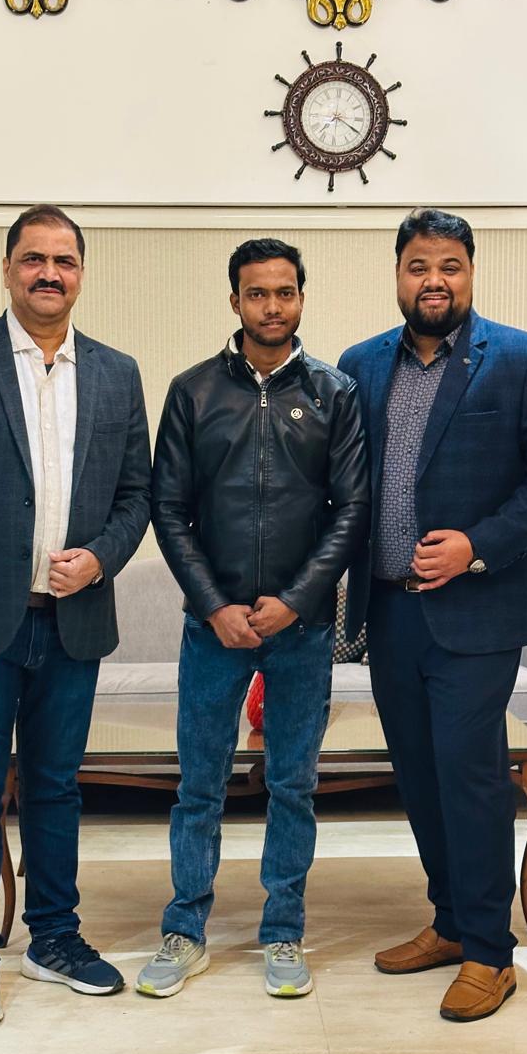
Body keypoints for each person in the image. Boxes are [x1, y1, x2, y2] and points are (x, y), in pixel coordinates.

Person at [0, 204, 151, 1026]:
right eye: (34, 259)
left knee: (55, 788)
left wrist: (102, 557)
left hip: (73, 621)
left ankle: (55, 936)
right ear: (8, 269)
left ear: (81, 274)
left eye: (64, 260)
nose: (50, 273)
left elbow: (137, 494)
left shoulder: (117, 372)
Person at [339, 208, 527, 1022]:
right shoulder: (361, 364)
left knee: (470, 777)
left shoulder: (520, 358)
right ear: (398, 274)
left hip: (477, 611)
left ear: (471, 272)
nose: (434, 280)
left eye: (449, 265)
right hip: (389, 610)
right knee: (417, 776)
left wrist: (477, 545)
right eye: (419, 266)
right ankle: (449, 923)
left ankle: (489, 952)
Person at [136, 237, 369, 999]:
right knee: (199, 785)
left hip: (301, 628)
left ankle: (283, 931)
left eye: (285, 292)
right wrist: (215, 605)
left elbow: (351, 509)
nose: (272, 306)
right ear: (234, 300)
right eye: (257, 293)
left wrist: (296, 600)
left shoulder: (334, 393)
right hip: (215, 627)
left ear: (301, 297)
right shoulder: (193, 391)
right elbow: (168, 508)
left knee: (293, 786)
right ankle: (184, 929)